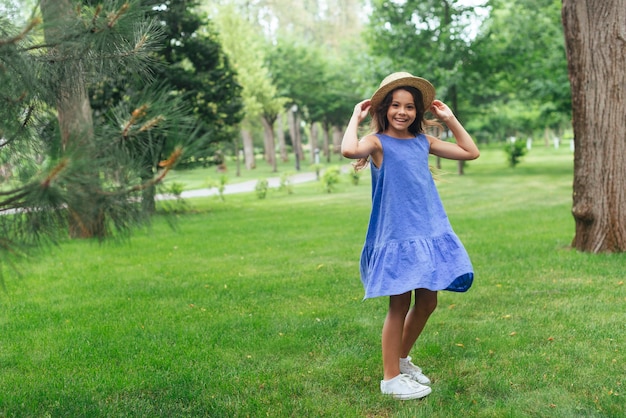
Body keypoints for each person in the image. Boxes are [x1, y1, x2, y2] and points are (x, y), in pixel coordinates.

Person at [341, 72, 480, 400]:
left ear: (418, 112)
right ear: (383, 109)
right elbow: (349, 150)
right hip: (399, 236)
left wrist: (450, 118)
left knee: (428, 300)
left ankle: (400, 360)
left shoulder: (423, 142)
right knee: (400, 303)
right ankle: (390, 379)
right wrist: (354, 118)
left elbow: (470, 152)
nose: (402, 112)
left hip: (429, 230)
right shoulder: (377, 143)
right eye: (395, 105)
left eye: (409, 107)